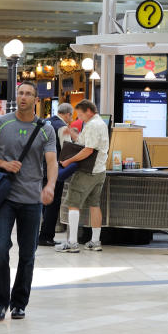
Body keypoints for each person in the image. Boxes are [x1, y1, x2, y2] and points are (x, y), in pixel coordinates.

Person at [0, 82, 56, 322]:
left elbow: (52, 162)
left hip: (32, 199)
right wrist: (4, 164)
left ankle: (19, 303)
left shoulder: (45, 129)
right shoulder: (1, 124)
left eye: (28, 94)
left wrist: (50, 185)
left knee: (28, 254)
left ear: (36, 99)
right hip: (5, 198)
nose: (23, 97)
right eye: (20, 93)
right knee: (0, 249)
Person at [55, 99, 110, 253]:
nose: (79, 118)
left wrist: (68, 161)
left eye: (80, 115)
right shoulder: (100, 123)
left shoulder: (93, 125)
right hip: (100, 171)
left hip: (87, 171)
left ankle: (72, 243)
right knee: (94, 205)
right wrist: (72, 133)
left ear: (88, 111)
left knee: (73, 203)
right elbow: (83, 142)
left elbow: (88, 150)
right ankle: (95, 241)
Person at [38, 103, 73, 246]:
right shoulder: (62, 127)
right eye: (71, 116)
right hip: (54, 169)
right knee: (53, 203)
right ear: (68, 114)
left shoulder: (45, 122)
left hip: (40, 167)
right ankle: (46, 236)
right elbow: (68, 149)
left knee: (44, 202)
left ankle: (41, 234)